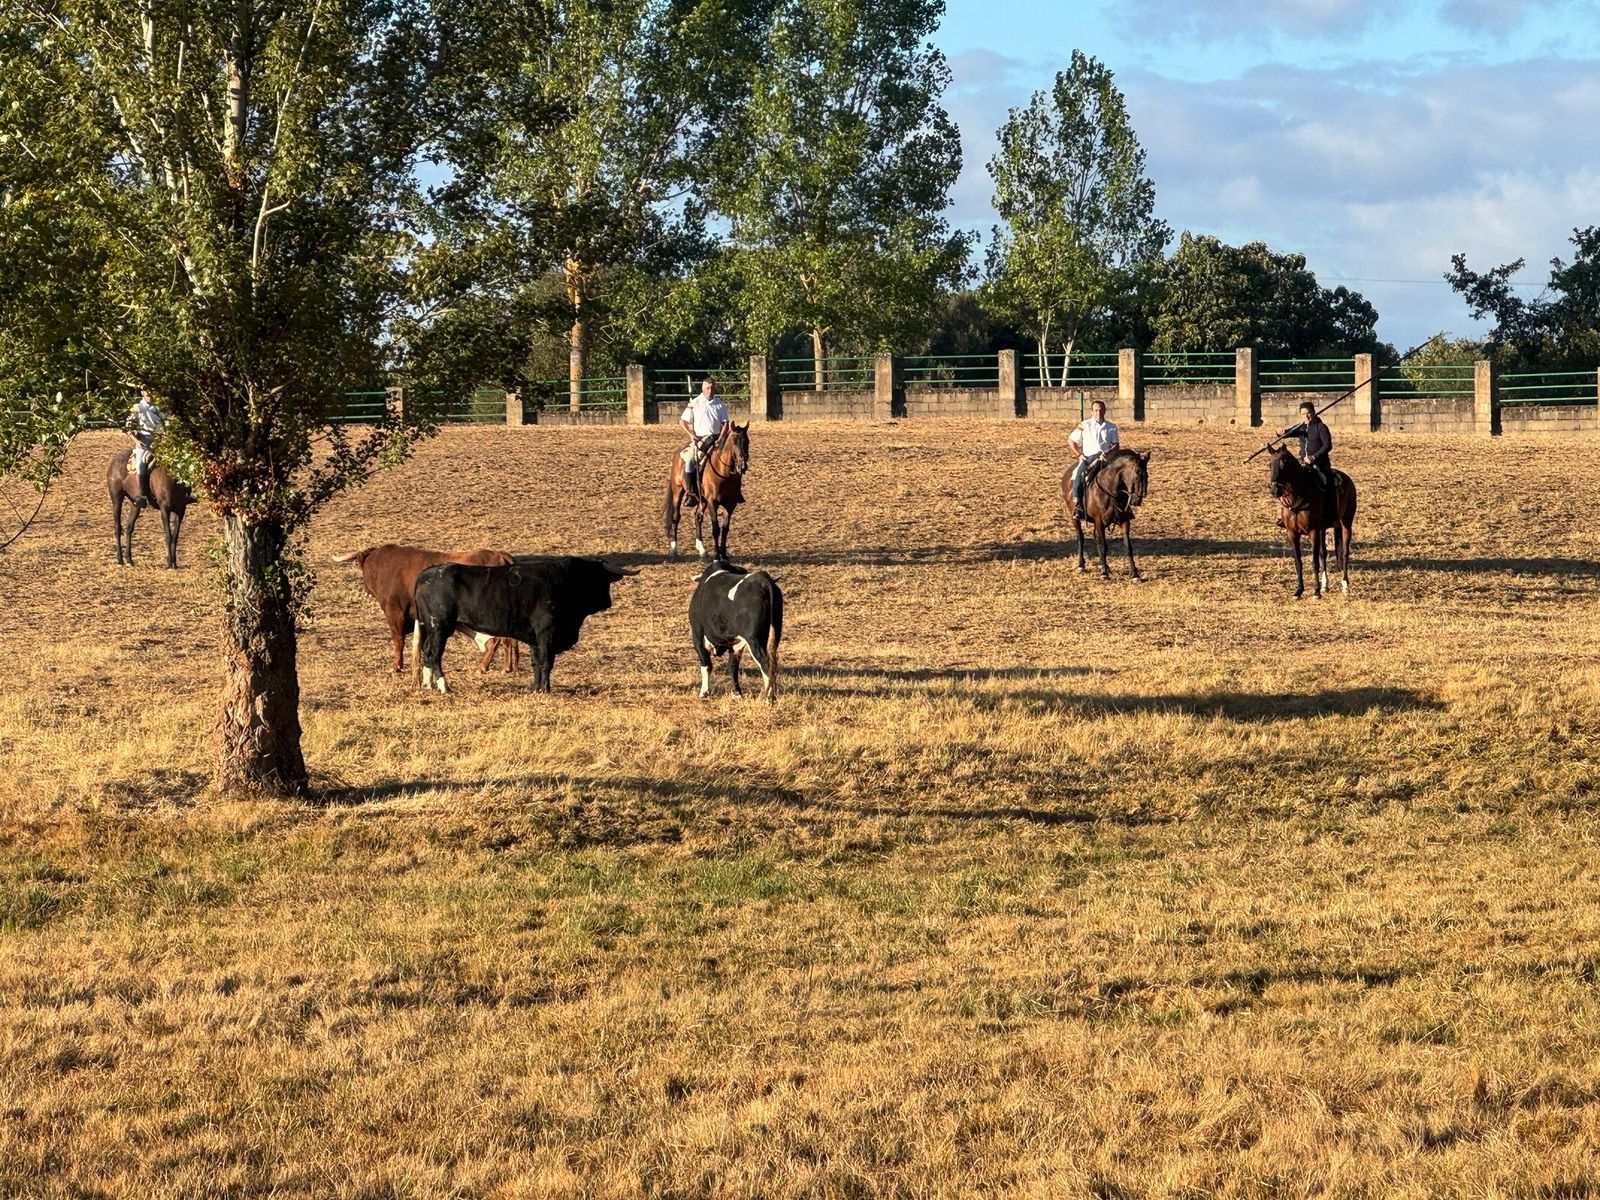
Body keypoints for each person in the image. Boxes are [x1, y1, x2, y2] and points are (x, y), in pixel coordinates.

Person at [679, 378, 729, 508]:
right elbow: (682, 421)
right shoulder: (693, 403)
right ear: (703, 388)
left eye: (712, 388)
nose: (710, 390)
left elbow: (725, 424)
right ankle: (691, 493)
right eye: (707, 388)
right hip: (700, 440)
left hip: (717, 439)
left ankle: (734, 492)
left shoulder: (720, 404)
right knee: (690, 461)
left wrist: (721, 437)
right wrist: (691, 435)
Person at [1068, 400, 1119, 515]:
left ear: (1105, 411)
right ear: (1092, 412)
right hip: (1089, 459)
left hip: (1106, 459)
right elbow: (1071, 440)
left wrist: (1108, 452)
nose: (1098, 413)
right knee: (1079, 476)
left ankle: (1123, 508)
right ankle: (1078, 506)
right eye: (1096, 410)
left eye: (1101, 410)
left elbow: (1116, 445)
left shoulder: (1111, 427)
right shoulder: (1085, 424)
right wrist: (1079, 454)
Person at [1278, 400, 1333, 493]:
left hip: (1320, 464)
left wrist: (1313, 457)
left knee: (1327, 486)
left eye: (1308, 413)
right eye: (1303, 414)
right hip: (1303, 464)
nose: (1306, 416)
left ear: (1314, 413)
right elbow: (1286, 433)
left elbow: (1327, 445)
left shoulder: (1321, 427)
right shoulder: (1300, 427)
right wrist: (1280, 432)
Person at [124, 388, 167, 505]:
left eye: (151, 392)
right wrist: (137, 441)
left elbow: (167, 423)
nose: (150, 395)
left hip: (161, 440)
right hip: (145, 441)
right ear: (142, 393)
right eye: (147, 392)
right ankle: (141, 495)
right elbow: (128, 429)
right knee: (141, 464)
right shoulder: (137, 408)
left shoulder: (160, 407)